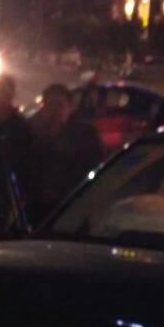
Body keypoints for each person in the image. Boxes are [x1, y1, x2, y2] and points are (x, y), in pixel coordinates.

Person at [27, 83, 104, 225]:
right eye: (49, 106)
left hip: (72, 207)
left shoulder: (85, 135)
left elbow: (95, 169)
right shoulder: (31, 134)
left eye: (59, 105)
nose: (54, 111)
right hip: (39, 208)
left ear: (70, 108)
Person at [0, 75, 35, 197]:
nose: (1, 97)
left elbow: (28, 162)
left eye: (5, 93)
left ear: (11, 95)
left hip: (12, 189)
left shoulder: (23, 127)